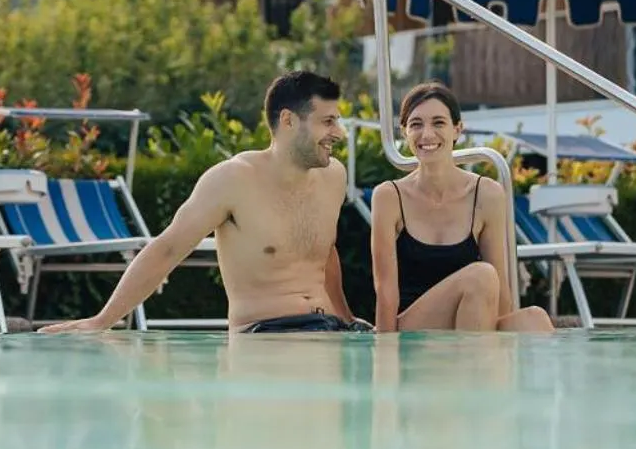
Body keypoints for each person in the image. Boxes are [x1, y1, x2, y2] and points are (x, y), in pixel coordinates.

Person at [41, 70, 368, 334]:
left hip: (326, 330)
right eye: (328, 121)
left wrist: (347, 319)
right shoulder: (233, 180)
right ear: (288, 121)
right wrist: (101, 322)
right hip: (266, 334)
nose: (339, 133)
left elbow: (324, 253)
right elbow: (167, 248)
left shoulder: (333, 177)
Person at [371, 81, 553, 333]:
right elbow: (385, 291)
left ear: (457, 129)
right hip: (413, 333)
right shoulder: (389, 196)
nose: (427, 134)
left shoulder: (486, 194)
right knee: (480, 276)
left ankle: (488, 368)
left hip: (470, 327)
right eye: (416, 124)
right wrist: (385, 353)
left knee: (534, 319)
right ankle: (475, 368)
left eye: (438, 123)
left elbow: (501, 290)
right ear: (404, 132)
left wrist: (505, 340)